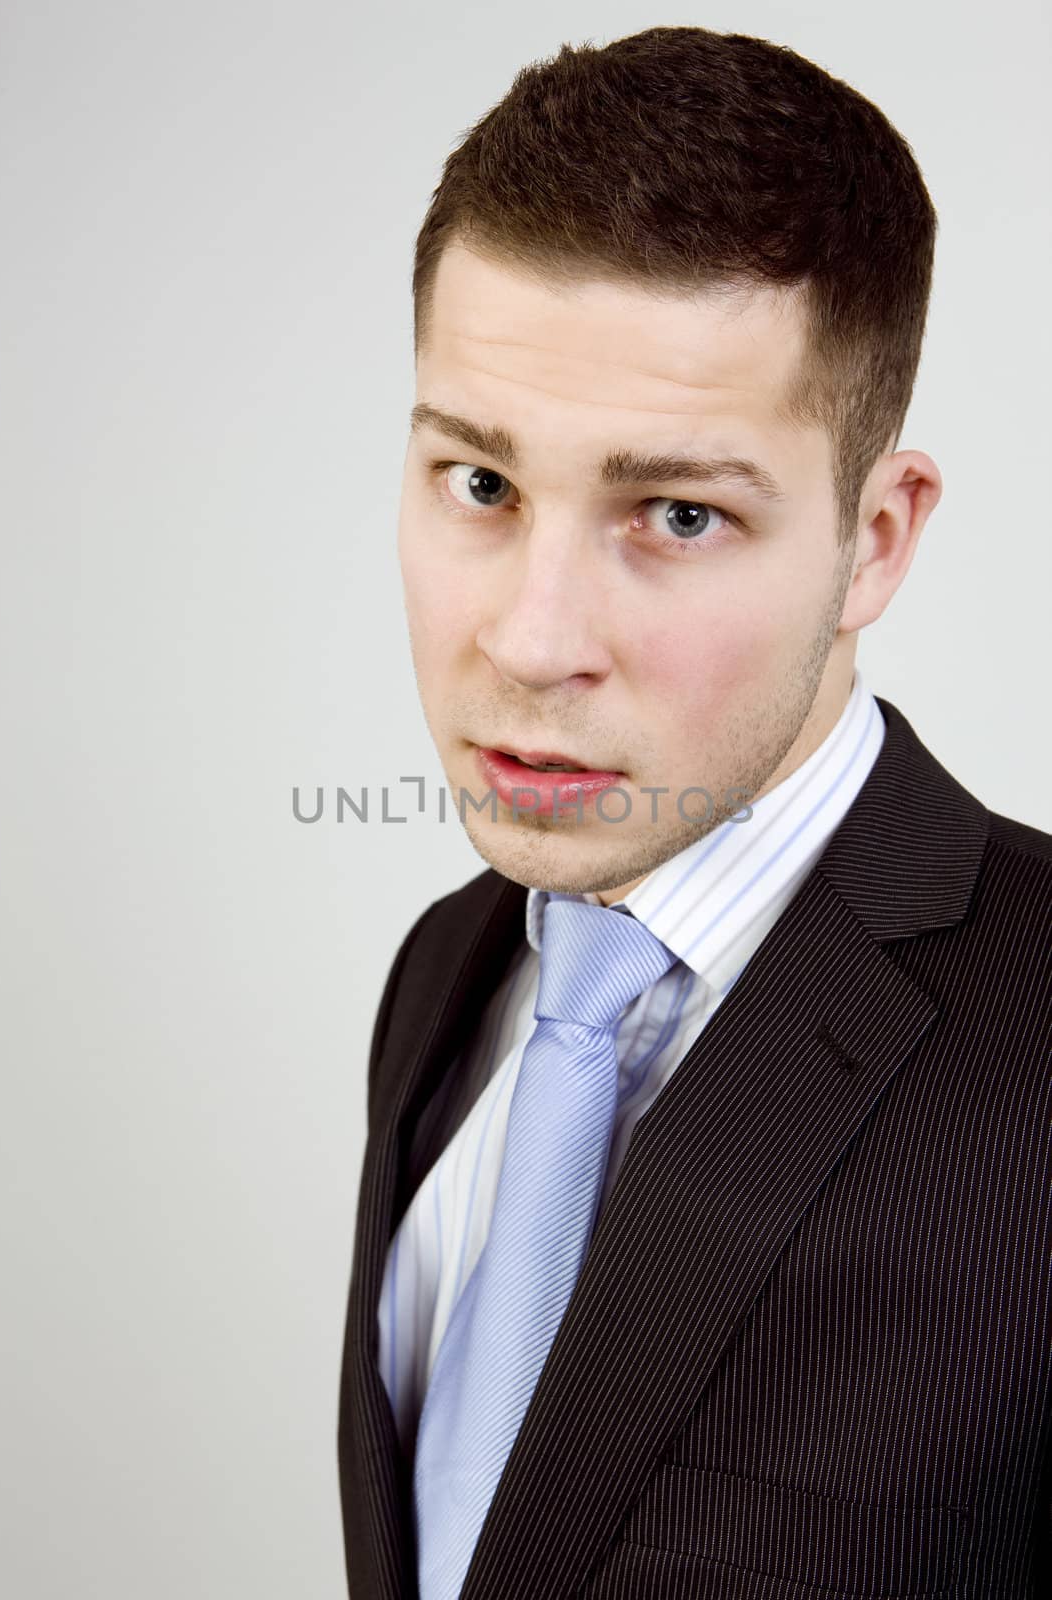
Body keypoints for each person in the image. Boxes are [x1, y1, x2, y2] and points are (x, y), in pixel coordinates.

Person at [337, 25, 1051, 1600]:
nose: (530, 640)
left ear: (874, 539)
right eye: (480, 483)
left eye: (676, 513)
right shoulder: (449, 971)